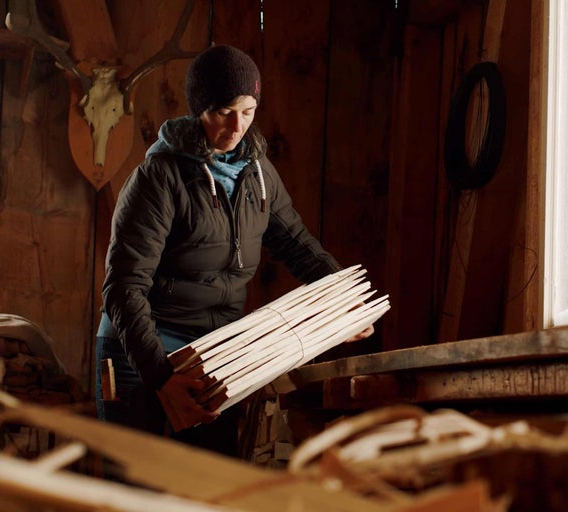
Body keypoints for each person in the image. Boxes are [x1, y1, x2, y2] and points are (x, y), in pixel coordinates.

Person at [95, 44, 372, 457]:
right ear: (199, 109)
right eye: (224, 112)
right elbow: (123, 287)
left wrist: (344, 303)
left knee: (209, 485)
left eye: (248, 111)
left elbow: (297, 244)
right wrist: (160, 377)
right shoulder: (159, 177)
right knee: (134, 487)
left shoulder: (259, 174)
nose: (237, 125)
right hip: (142, 350)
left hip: (219, 351)